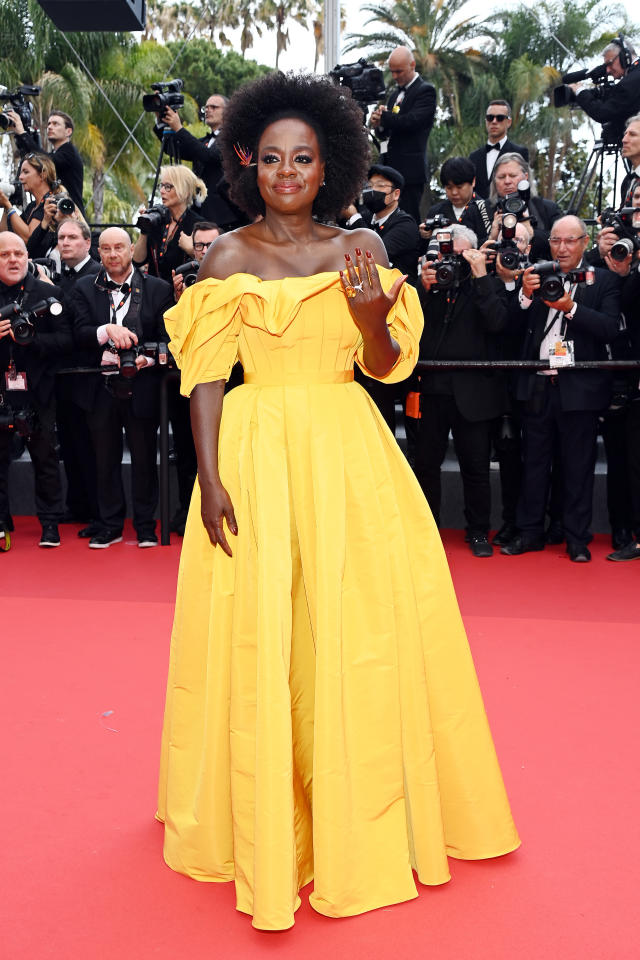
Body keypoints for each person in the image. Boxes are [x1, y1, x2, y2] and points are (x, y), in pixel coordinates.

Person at [157, 71, 519, 932]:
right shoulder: (225, 255)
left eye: (305, 158)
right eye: (273, 158)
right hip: (252, 452)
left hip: (346, 455)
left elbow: (388, 367)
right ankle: (266, 817)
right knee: (262, 629)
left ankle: (357, 816)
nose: (288, 172)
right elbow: (205, 375)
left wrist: (365, 316)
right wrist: (208, 479)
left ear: (332, 165)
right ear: (250, 162)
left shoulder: (363, 251)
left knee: (353, 632)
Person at [500, 215, 621, 562]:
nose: (562, 248)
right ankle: (530, 533)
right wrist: (524, 294)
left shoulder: (605, 281)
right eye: (556, 241)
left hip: (579, 388)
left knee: (578, 467)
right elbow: (509, 328)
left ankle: (577, 539)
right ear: (548, 243)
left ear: (586, 241)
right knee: (533, 464)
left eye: (570, 240)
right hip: (537, 385)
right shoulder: (537, 276)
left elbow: (610, 328)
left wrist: (571, 308)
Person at [71, 227, 172, 548]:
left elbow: (169, 341)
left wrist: (146, 360)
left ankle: (145, 526)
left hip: (143, 386)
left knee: (144, 459)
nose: (113, 254)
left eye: (119, 248)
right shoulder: (84, 288)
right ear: (98, 253)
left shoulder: (157, 289)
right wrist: (106, 331)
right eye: (106, 249)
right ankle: (110, 525)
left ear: (131, 250)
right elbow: (77, 334)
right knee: (104, 460)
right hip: (99, 389)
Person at [416, 224, 508, 557]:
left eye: (459, 256)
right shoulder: (430, 286)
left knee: (476, 466)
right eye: (446, 255)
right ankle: (427, 530)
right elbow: (409, 329)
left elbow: (498, 323)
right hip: (433, 389)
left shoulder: (488, 285)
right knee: (425, 464)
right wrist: (424, 289)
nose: (450, 264)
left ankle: (479, 531)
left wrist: (481, 276)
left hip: (474, 392)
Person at [0, 233, 72, 549]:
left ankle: (50, 524)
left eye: (18, 253)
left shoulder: (48, 292)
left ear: (27, 256)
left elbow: (68, 343)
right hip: (1, 393)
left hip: (39, 391)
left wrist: (30, 341)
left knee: (45, 459)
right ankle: (2, 523)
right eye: (4, 255)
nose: (13, 260)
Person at [55, 220, 101, 534]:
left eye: (72, 237)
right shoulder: (57, 277)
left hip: (92, 373)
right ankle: (77, 506)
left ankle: (98, 512)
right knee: (70, 444)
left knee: (91, 447)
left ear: (87, 242)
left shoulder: (98, 275)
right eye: (61, 238)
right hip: (63, 374)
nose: (66, 242)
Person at [157, 94, 245, 230]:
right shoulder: (204, 142)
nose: (208, 110)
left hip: (225, 218)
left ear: (228, 112)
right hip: (200, 215)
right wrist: (161, 120)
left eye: (214, 107)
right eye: (206, 108)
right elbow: (173, 149)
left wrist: (179, 128)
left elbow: (209, 156)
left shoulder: (233, 138)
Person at [369, 46, 436, 224]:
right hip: (390, 170)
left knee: (409, 217)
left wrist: (385, 117)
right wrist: (379, 124)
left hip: (410, 171)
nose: (395, 76)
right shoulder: (394, 96)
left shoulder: (425, 91)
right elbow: (389, 131)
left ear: (412, 65)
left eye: (399, 71)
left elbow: (412, 122)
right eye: (392, 72)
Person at [133, 164, 207, 283]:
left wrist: (191, 251)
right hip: (154, 294)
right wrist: (144, 229)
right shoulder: (157, 219)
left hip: (182, 294)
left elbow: (210, 266)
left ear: (185, 191)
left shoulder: (199, 225)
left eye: (168, 187)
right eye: (161, 186)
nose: (162, 191)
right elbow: (137, 261)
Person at [488, 152, 562, 261]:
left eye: (513, 176)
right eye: (501, 177)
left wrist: (532, 232)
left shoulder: (548, 208)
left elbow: (562, 243)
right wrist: (492, 237)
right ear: (495, 181)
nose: (507, 181)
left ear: (525, 177)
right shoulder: (482, 210)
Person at [9, 109, 85, 213]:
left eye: (55, 124)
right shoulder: (56, 153)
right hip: (58, 213)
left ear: (68, 131)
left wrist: (22, 133)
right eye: (49, 124)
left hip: (71, 217)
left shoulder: (69, 152)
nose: (49, 127)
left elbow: (44, 161)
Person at [572, 37, 640, 144]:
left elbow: (602, 113)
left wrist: (580, 91)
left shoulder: (629, 83)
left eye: (610, 63)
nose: (607, 70)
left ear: (624, 56)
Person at [0, 154, 70, 256]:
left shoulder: (50, 205)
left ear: (42, 175)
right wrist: (7, 206)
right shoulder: (31, 207)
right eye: (20, 173)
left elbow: (29, 238)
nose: (20, 177)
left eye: (26, 172)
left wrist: (8, 205)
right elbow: (4, 233)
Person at [422, 156, 492, 247]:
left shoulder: (486, 210)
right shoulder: (435, 212)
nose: (454, 192)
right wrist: (424, 235)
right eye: (449, 188)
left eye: (459, 187)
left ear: (473, 182)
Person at [468, 100, 530, 199]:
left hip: (509, 209)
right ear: (486, 121)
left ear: (509, 122)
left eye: (500, 118)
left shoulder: (520, 152)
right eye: (490, 118)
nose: (494, 121)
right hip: (479, 211)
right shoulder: (474, 156)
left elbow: (524, 186)